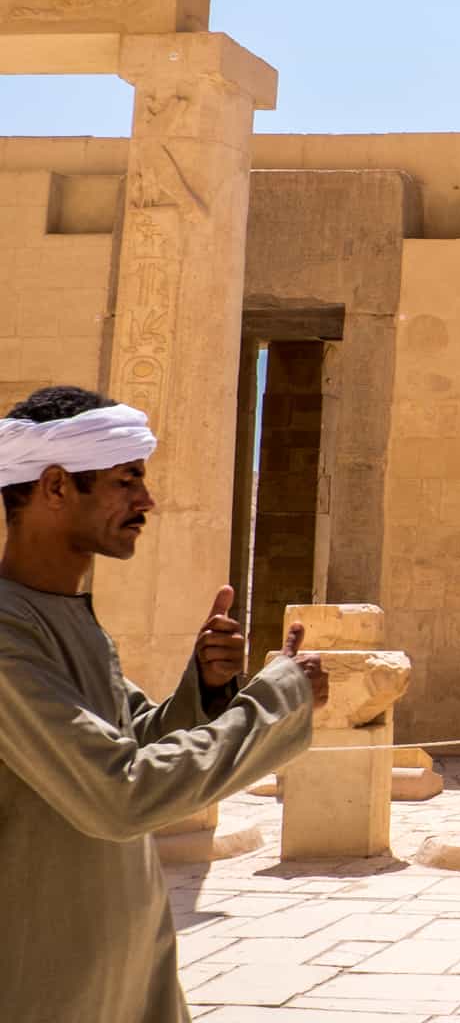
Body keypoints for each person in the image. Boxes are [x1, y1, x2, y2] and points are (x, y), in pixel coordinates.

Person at [0, 385, 329, 1023]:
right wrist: (277, 700)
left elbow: (131, 740)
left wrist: (205, 692)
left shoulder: (64, 617)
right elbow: (120, 793)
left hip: (123, 972)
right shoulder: (8, 632)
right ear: (57, 486)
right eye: (128, 480)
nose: (147, 500)